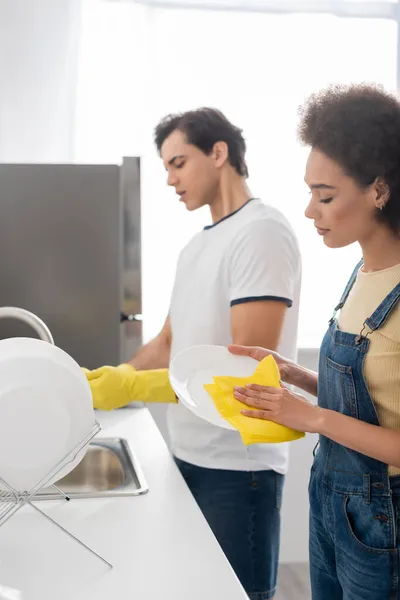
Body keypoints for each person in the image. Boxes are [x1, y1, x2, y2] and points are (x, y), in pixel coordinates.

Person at [86, 108, 302, 600]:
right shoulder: (195, 247)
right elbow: (168, 343)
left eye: (178, 162)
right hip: (186, 453)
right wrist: (110, 377)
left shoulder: (261, 232)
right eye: (166, 167)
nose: (170, 179)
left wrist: (135, 387)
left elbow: (247, 364)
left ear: (219, 153)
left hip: (239, 467)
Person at [231, 83, 400, 600]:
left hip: (382, 515)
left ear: (378, 190)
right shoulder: (362, 273)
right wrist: (295, 375)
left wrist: (308, 416)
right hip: (331, 500)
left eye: (325, 196)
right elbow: (377, 395)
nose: (309, 210)